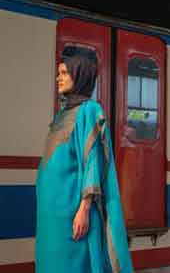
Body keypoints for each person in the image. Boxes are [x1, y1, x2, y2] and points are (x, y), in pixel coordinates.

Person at [36, 47, 133, 273]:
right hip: (51, 212)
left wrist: (84, 208)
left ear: (80, 74)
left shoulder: (89, 110)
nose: (58, 78)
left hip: (72, 210)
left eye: (64, 73)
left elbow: (92, 162)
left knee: (72, 265)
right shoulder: (61, 114)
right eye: (58, 73)